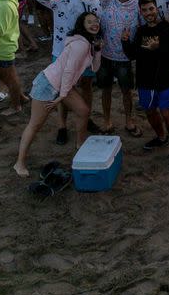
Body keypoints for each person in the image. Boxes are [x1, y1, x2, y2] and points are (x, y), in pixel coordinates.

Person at [14, 12, 103, 177]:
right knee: (35, 125)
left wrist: (98, 51)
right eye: (89, 22)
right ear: (81, 25)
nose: (94, 24)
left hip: (62, 85)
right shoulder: (80, 44)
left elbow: (94, 69)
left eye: (95, 21)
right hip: (48, 85)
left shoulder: (88, 43)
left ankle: (80, 144)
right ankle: (19, 163)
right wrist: (62, 96)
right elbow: (69, 71)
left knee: (83, 111)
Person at [34, 0, 102, 144]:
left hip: (86, 52)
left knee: (86, 85)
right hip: (62, 51)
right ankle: (62, 126)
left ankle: (86, 119)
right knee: (64, 88)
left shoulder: (96, 2)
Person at [123, 0, 169, 169]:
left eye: (151, 9)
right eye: (145, 10)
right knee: (150, 112)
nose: (148, 13)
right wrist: (125, 41)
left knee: (167, 114)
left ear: (156, 9)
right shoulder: (140, 31)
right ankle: (161, 137)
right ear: (141, 12)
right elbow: (133, 55)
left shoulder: (168, 29)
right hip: (145, 81)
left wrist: (159, 48)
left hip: (166, 79)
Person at [95, 0, 141, 135]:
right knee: (105, 90)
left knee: (126, 91)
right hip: (105, 56)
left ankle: (129, 120)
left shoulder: (137, 6)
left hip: (124, 59)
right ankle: (107, 120)